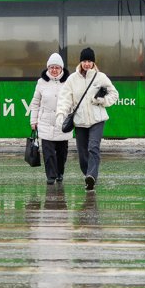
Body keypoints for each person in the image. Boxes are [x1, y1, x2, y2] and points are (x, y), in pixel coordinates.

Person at [56, 47, 119, 191]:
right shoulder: (72, 79)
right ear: (80, 62)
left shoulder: (100, 77)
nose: (87, 64)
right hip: (80, 121)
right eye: (84, 61)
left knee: (93, 147)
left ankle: (92, 175)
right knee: (82, 152)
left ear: (93, 62)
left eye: (89, 61)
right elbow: (65, 99)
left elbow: (114, 94)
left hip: (97, 120)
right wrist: (61, 115)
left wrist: (101, 101)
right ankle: (88, 176)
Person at [29, 52, 71, 185]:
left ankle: (60, 173)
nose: (54, 70)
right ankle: (51, 176)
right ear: (48, 68)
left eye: (57, 67)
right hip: (45, 122)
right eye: (51, 67)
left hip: (62, 123)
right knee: (48, 152)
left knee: (61, 153)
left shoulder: (68, 82)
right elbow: (35, 103)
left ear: (61, 69)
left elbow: (73, 101)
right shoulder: (41, 82)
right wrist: (33, 121)